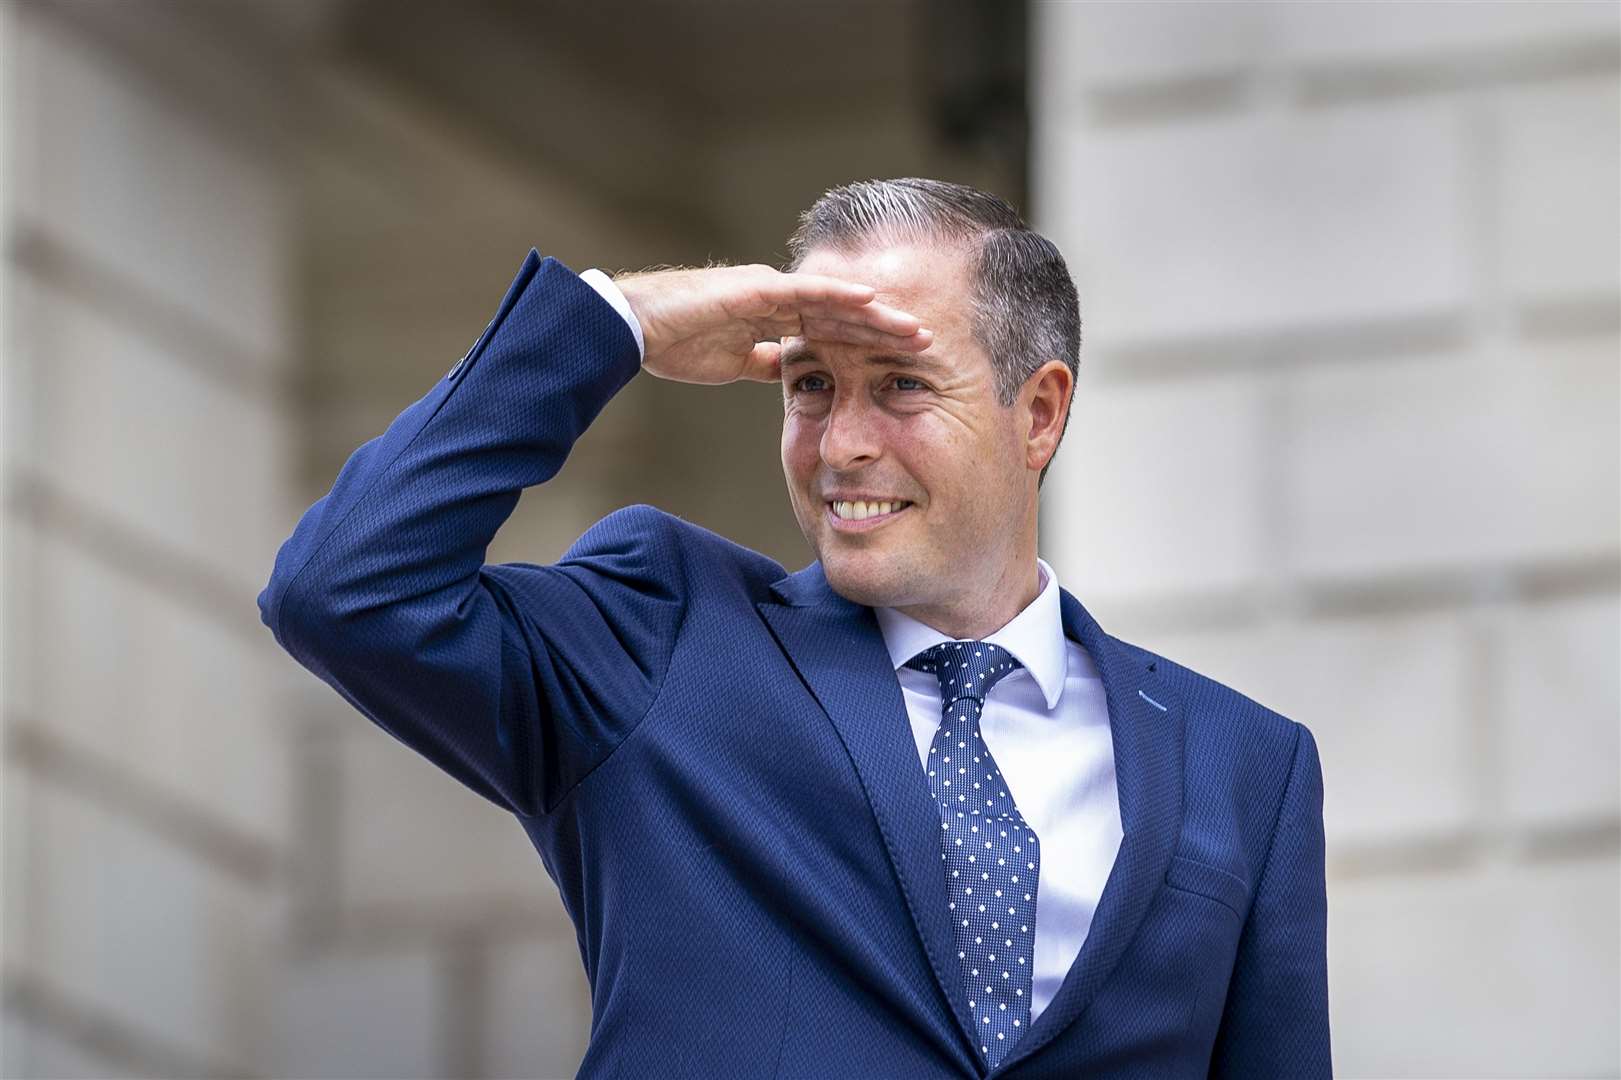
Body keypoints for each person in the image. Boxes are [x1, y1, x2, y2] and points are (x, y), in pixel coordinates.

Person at [258, 178, 1330, 1078]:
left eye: (901, 386)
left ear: (1038, 412)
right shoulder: (664, 633)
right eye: (812, 385)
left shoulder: (1244, 764)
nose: (841, 444)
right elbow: (344, 590)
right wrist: (618, 326)